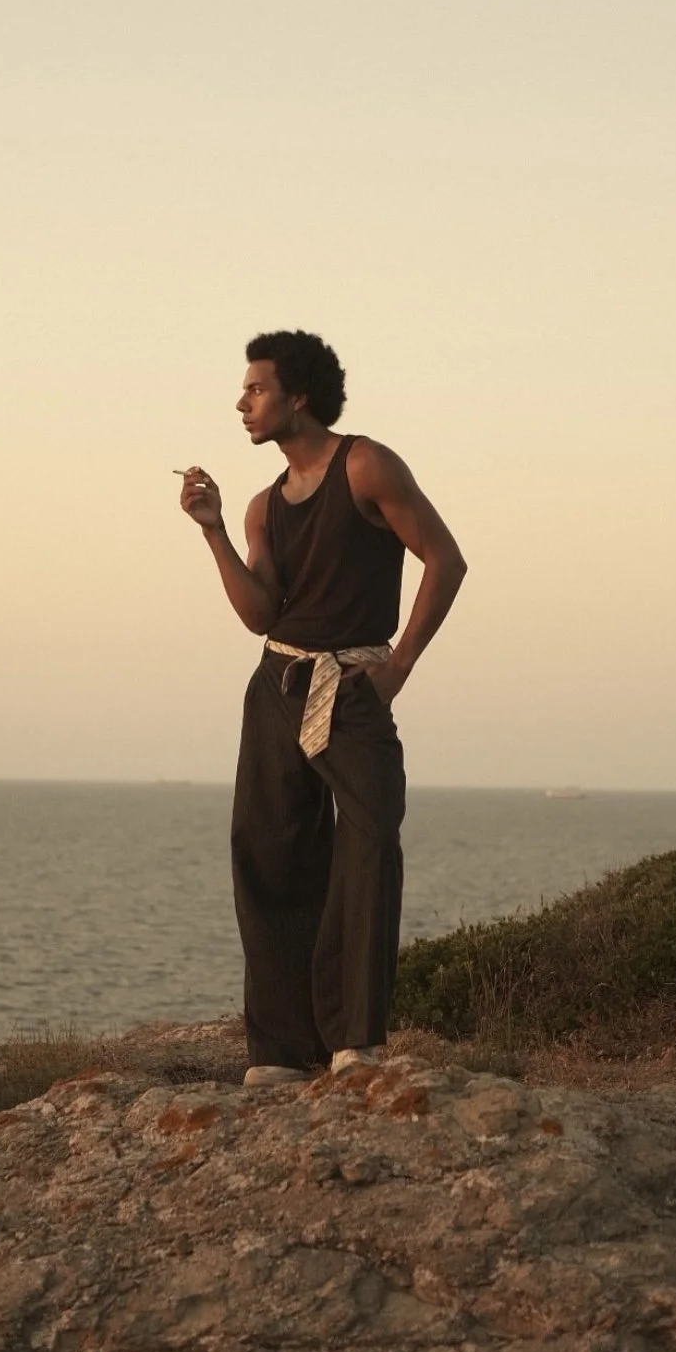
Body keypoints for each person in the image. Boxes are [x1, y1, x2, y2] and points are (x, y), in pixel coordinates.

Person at [180, 330, 467, 1087]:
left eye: (256, 389)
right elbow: (260, 613)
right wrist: (214, 531)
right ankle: (282, 1051)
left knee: (369, 845)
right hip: (278, 685)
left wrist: (398, 666)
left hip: (353, 685)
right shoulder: (262, 508)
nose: (242, 403)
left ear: (298, 396)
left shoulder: (365, 465)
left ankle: (354, 1042)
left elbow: (446, 560)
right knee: (269, 857)